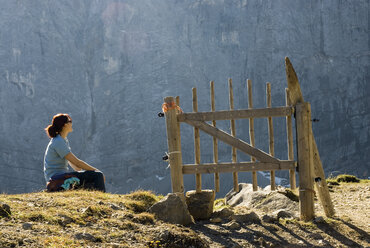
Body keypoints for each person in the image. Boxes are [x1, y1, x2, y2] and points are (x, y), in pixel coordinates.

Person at [44, 113, 106, 192]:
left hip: (61, 176)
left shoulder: (63, 140)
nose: (72, 123)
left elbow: (73, 163)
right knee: (98, 175)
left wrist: (81, 172)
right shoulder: (58, 142)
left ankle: (97, 198)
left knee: (90, 180)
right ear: (65, 125)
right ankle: (100, 200)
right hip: (57, 178)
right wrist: (97, 171)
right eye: (70, 121)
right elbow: (77, 162)